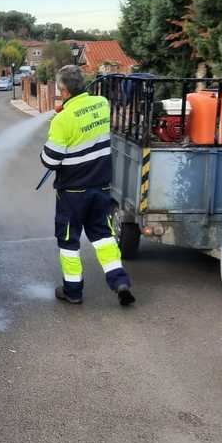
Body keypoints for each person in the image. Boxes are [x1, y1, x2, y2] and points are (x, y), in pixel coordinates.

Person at [41, 65, 135, 307]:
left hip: (73, 193)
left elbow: (50, 160)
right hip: (101, 187)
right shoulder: (101, 104)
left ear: (63, 89)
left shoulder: (62, 120)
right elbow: (85, 114)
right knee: (103, 236)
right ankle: (119, 281)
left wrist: (60, 116)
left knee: (69, 243)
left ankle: (73, 292)